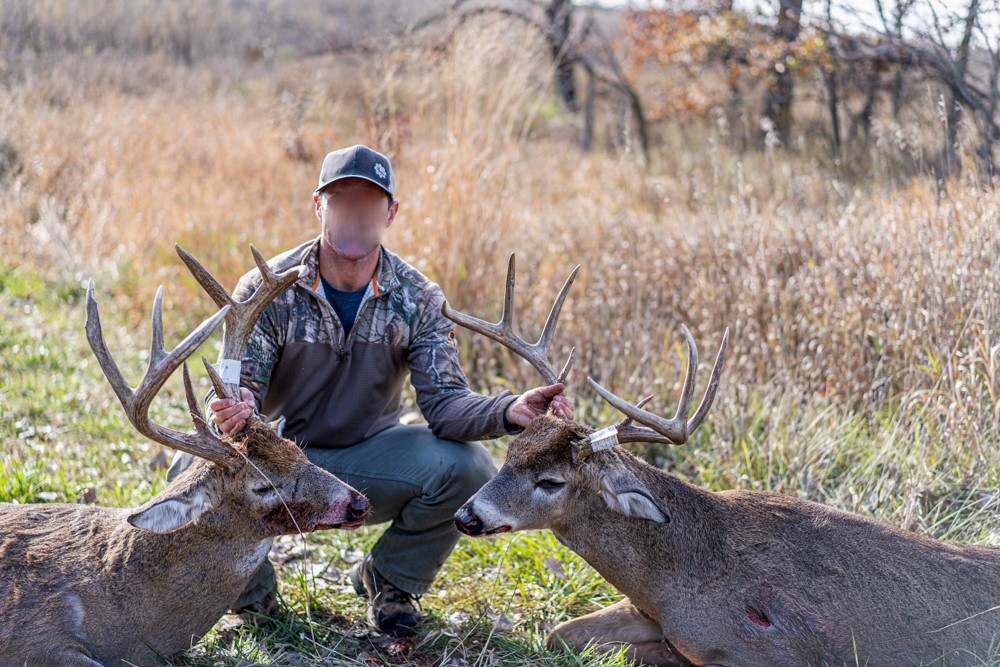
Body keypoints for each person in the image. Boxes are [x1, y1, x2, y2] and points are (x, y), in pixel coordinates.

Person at [167, 144, 574, 637]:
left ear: (391, 213)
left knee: (466, 468)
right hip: (275, 458)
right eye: (342, 201)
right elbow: (235, 388)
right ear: (318, 206)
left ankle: (391, 578)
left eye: (371, 204)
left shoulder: (418, 297)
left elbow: (445, 404)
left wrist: (511, 409)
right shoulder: (265, 289)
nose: (356, 216)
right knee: (189, 468)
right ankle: (252, 598)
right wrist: (235, 409)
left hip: (367, 456)